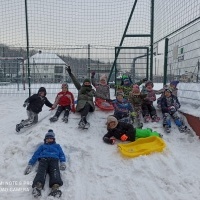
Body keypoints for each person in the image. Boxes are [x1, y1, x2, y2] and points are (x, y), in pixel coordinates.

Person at [24, 129, 66, 198]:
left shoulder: (57, 146)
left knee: (55, 171)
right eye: (47, 138)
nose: (49, 139)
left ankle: (55, 188)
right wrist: (30, 164)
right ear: (45, 139)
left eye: (51, 138)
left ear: (53, 139)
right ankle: (38, 186)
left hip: (54, 160)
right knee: (41, 171)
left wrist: (62, 162)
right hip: (43, 160)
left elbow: (61, 154)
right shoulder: (42, 146)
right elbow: (36, 154)